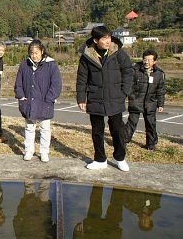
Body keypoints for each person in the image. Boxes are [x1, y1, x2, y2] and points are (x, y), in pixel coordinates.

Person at [76, 26, 133, 171]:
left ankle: (120, 158)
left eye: (109, 37)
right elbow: (82, 78)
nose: (108, 41)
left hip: (115, 96)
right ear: (96, 40)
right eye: (104, 38)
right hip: (95, 97)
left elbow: (128, 70)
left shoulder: (117, 52)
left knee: (117, 130)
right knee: (97, 131)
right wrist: (81, 98)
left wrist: (124, 91)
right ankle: (100, 159)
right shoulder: (87, 55)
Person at [15, 40, 62, 162]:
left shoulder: (51, 65)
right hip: (29, 102)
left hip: (44, 103)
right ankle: (29, 151)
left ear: (42, 51)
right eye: (31, 53)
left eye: (36, 53)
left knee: (45, 128)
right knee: (29, 128)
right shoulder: (25, 65)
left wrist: (49, 98)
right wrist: (21, 96)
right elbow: (18, 83)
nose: (34, 55)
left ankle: (44, 152)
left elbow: (56, 84)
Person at [125, 49, 165, 150]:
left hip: (150, 103)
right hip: (136, 101)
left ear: (154, 61)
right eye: (145, 59)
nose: (146, 62)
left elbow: (160, 90)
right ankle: (124, 141)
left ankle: (150, 145)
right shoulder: (135, 69)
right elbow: (130, 86)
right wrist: (132, 98)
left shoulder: (159, 73)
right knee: (131, 123)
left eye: (149, 60)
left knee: (151, 124)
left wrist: (160, 104)